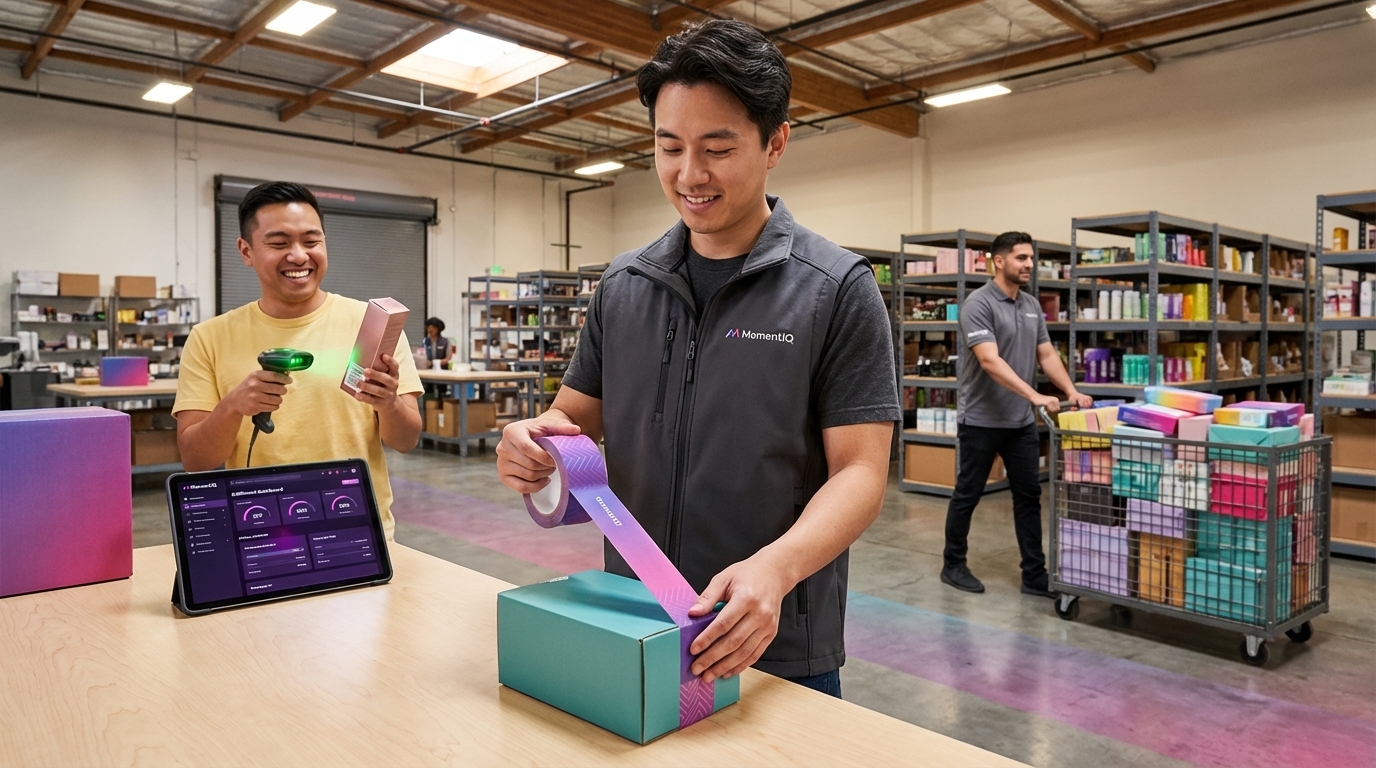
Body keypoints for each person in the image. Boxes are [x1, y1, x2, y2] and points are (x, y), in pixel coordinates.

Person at [495, 19, 899, 699]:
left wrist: (776, 569)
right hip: (629, 621)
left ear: (775, 143)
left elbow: (859, 471)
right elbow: (573, 418)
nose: (690, 175)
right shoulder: (625, 286)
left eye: (717, 148)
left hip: (769, 636)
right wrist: (534, 442)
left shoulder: (835, 289)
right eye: (669, 147)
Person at [173, 181, 424, 540]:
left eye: (311, 241)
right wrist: (232, 407)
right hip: (257, 531)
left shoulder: (371, 326)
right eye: (278, 243)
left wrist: (388, 404)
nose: (299, 256)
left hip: (358, 531)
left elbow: (406, 439)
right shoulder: (209, 337)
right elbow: (196, 461)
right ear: (246, 251)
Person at [940, 231, 1092, 597]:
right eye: (1021, 258)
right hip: (981, 420)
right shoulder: (978, 304)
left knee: (1028, 497)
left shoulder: (1031, 305)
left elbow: (1046, 355)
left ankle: (1034, 576)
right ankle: (953, 564)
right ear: (999, 261)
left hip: (1020, 422)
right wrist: (1036, 395)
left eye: (1030, 258)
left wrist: (1069, 390)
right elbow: (990, 361)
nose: (1028, 265)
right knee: (968, 494)